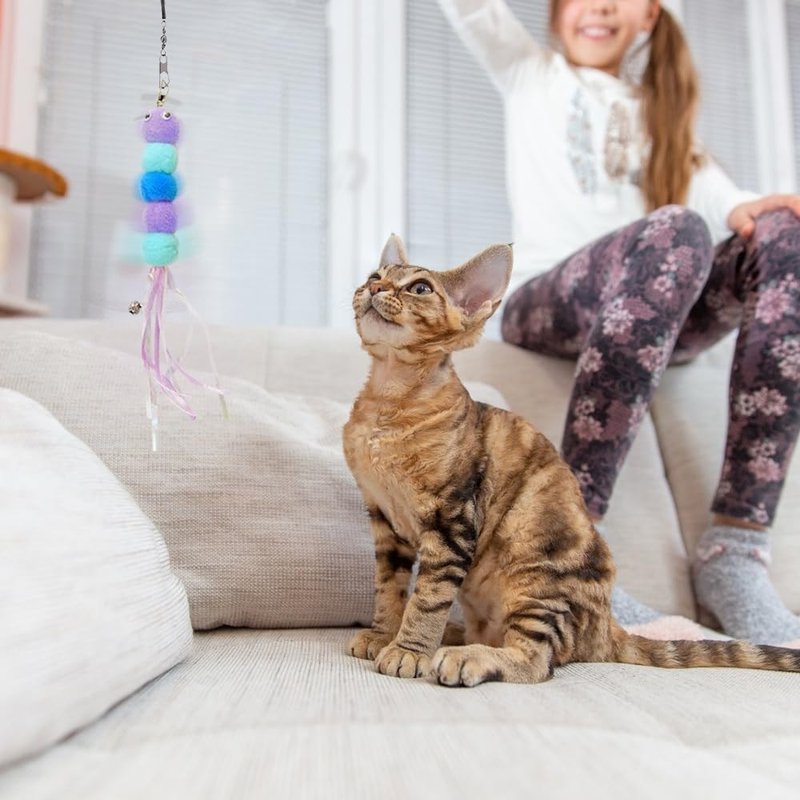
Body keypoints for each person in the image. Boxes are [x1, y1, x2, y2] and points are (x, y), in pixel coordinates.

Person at [438, 0, 800, 645]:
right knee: (677, 227)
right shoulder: (531, 73)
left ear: (651, 17)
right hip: (549, 300)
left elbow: (731, 203)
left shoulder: (662, 117)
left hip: (657, 311)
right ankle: (571, 545)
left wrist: (768, 210)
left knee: (781, 234)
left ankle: (736, 554)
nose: (603, 4)